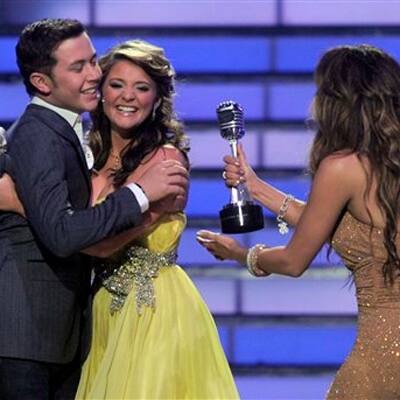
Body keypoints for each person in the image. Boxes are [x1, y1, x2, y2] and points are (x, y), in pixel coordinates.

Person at [198, 44, 400, 399]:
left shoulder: (342, 167)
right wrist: (255, 187)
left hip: (385, 353)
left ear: (339, 100)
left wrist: (240, 254)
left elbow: (294, 262)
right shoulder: (383, 170)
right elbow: (335, 225)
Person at [0, 19, 188, 400]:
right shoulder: (42, 133)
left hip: (140, 318)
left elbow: (75, 232)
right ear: (42, 82)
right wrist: (138, 193)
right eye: (79, 67)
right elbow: (64, 233)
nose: (94, 75)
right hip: (31, 334)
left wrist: (20, 204)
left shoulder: (80, 136)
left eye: (92, 62)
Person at [73, 39, 239, 399]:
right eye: (117, 84)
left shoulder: (167, 160)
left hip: (154, 311)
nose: (127, 96)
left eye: (142, 87)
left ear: (157, 99)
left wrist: (71, 234)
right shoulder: (87, 157)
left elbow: (102, 243)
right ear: (100, 91)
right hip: (101, 308)